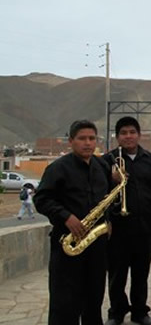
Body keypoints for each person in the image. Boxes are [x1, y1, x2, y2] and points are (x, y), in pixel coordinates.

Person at [33, 120, 112, 325]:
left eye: (92, 138)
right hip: (67, 244)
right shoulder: (57, 168)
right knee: (64, 302)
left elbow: (107, 200)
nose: (87, 143)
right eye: (82, 138)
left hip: (95, 244)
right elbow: (41, 200)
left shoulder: (102, 166)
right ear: (71, 141)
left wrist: (108, 222)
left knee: (94, 299)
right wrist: (66, 217)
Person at [103, 117, 151, 325]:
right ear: (117, 137)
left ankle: (140, 311)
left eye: (132, 132)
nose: (128, 136)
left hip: (144, 227)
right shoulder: (107, 161)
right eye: (123, 133)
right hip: (117, 228)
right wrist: (111, 179)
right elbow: (99, 191)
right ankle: (116, 312)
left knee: (141, 273)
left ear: (139, 135)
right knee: (117, 273)